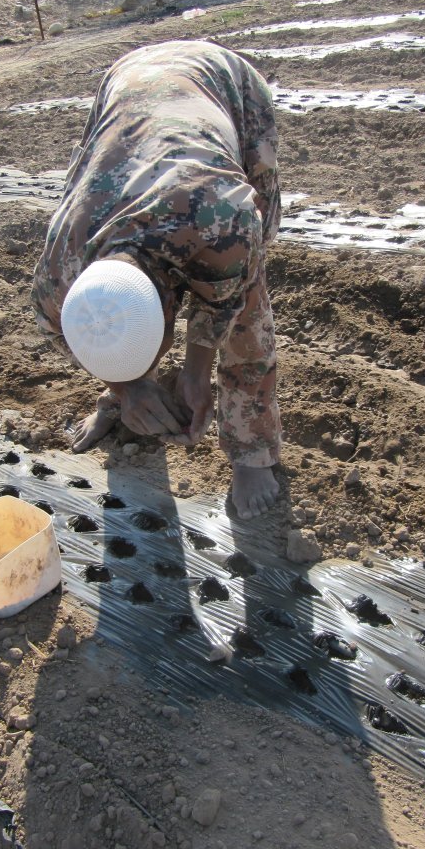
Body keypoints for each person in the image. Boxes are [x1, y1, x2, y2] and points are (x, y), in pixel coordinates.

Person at [31, 39, 282, 519]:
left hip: (221, 83)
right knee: (119, 343)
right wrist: (127, 388)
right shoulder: (57, 283)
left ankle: (253, 454)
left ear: (169, 309)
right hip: (127, 87)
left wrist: (194, 372)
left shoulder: (225, 223)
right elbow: (90, 330)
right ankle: (121, 397)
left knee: (246, 309)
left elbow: (224, 307)